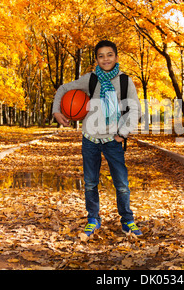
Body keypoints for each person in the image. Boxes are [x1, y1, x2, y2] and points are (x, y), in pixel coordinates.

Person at [52, 40, 142, 237]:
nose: (105, 59)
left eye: (109, 55)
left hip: (113, 140)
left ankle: (127, 220)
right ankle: (93, 218)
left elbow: (135, 110)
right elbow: (62, 89)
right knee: (91, 182)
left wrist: (122, 134)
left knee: (122, 184)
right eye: (101, 56)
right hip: (90, 139)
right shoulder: (90, 79)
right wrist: (56, 111)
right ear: (96, 59)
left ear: (116, 57)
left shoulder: (125, 81)